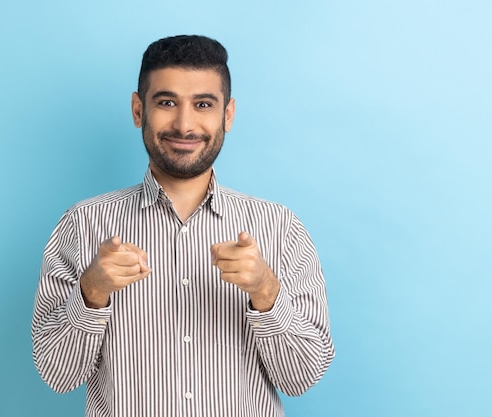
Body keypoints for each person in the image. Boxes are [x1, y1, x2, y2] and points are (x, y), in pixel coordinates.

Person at [32, 34, 335, 417]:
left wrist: (265, 291)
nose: (184, 124)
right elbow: (58, 375)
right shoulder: (83, 224)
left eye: (203, 104)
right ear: (138, 110)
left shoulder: (280, 228)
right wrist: (91, 293)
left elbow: (302, 377)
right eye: (167, 102)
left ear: (228, 114)